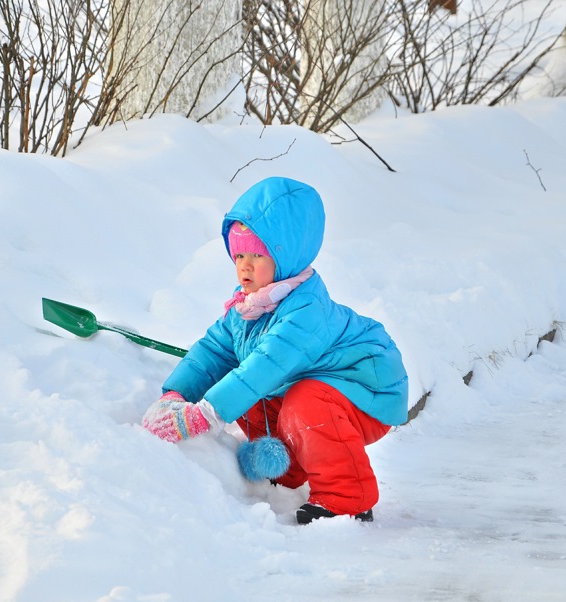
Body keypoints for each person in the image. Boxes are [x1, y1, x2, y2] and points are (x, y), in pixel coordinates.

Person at [142, 177, 408, 524]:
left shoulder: (306, 310)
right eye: (238, 254)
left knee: (303, 401)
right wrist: (175, 394)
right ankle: (288, 470)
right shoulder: (250, 307)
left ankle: (348, 497)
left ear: (287, 256)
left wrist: (205, 414)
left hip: (364, 386)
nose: (245, 265)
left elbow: (264, 367)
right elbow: (213, 351)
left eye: (257, 254)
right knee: (252, 395)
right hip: (315, 383)